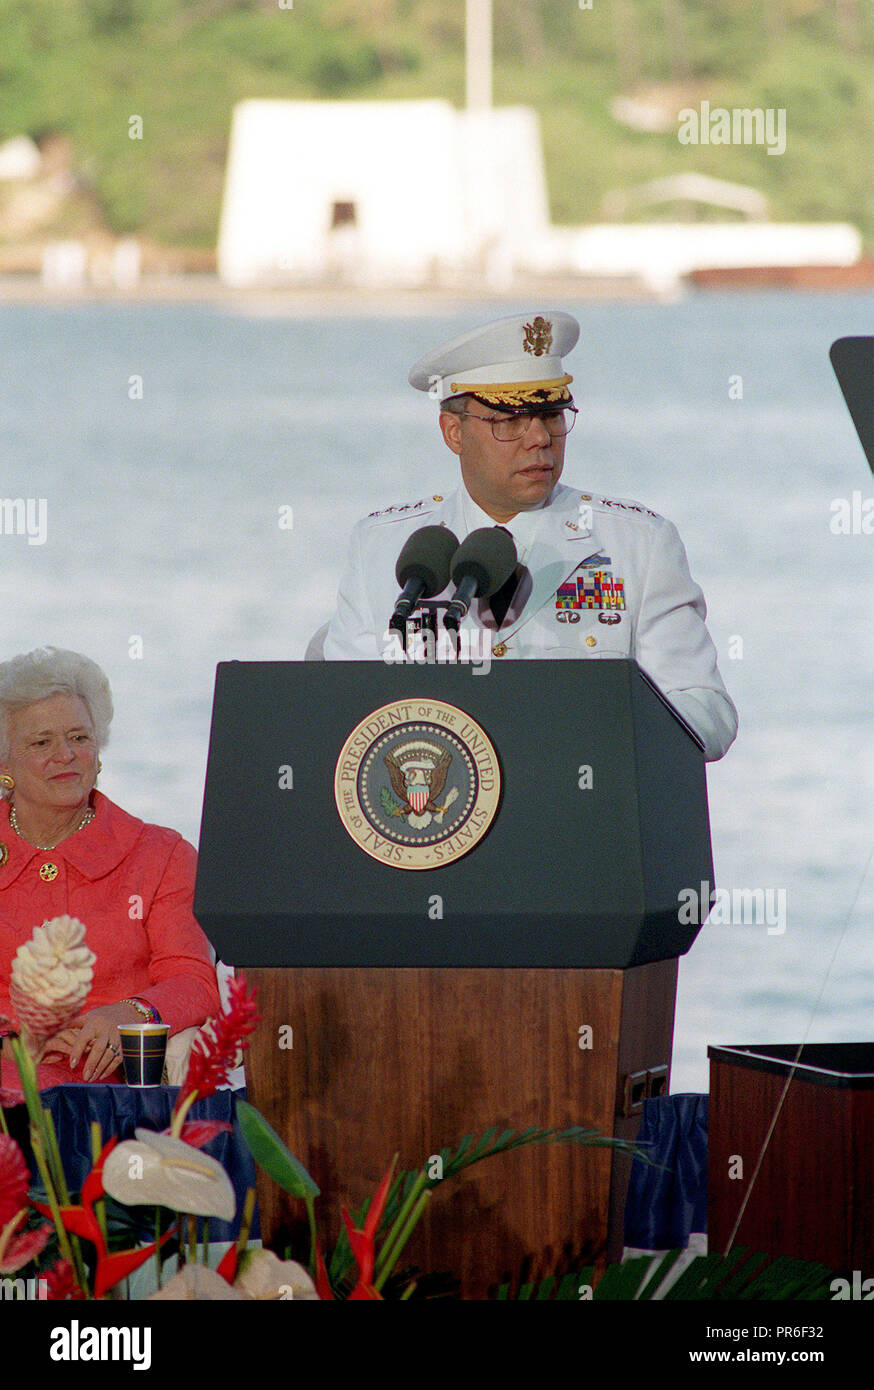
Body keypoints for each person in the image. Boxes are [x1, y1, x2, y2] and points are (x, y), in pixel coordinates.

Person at [323, 310, 737, 761]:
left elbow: (706, 711)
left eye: (552, 415)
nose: (539, 438)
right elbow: (340, 713)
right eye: (510, 421)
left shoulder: (637, 544)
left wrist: (598, 734)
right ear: (453, 432)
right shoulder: (383, 547)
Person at [0, 647, 220, 1090]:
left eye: (79, 737)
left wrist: (129, 1013)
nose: (66, 755)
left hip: (111, 1099)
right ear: (5, 764)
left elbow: (193, 980)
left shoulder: (163, 855)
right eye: (42, 742)